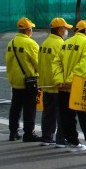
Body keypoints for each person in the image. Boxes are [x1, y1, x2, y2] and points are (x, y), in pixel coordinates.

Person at [52, 20, 86, 152]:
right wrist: (70, 81)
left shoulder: (66, 43)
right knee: (85, 116)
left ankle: (73, 142)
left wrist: (60, 80)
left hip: (63, 87)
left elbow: (56, 63)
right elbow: (85, 66)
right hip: (80, 85)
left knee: (67, 116)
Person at [37, 17, 73, 146]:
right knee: (62, 113)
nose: (67, 31)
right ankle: (61, 139)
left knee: (48, 112)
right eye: (65, 28)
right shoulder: (61, 45)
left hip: (45, 83)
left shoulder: (44, 43)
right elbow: (64, 65)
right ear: (59, 30)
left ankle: (46, 137)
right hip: (57, 84)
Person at [5, 17, 40, 142]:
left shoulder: (11, 43)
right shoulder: (30, 44)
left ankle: (13, 132)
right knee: (29, 109)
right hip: (29, 81)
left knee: (15, 107)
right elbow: (38, 63)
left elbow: (8, 62)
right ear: (28, 30)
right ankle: (28, 133)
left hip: (15, 81)